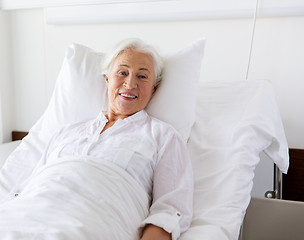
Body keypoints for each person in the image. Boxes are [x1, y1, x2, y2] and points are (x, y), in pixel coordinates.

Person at [39, 39, 194, 239]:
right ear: (107, 80)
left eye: (142, 76)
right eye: (122, 73)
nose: (130, 84)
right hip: (32, 214)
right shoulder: (66, 132)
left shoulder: (163, 136)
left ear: (154, 89)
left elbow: (171, 210)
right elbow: (27, 189)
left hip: (93, 224)